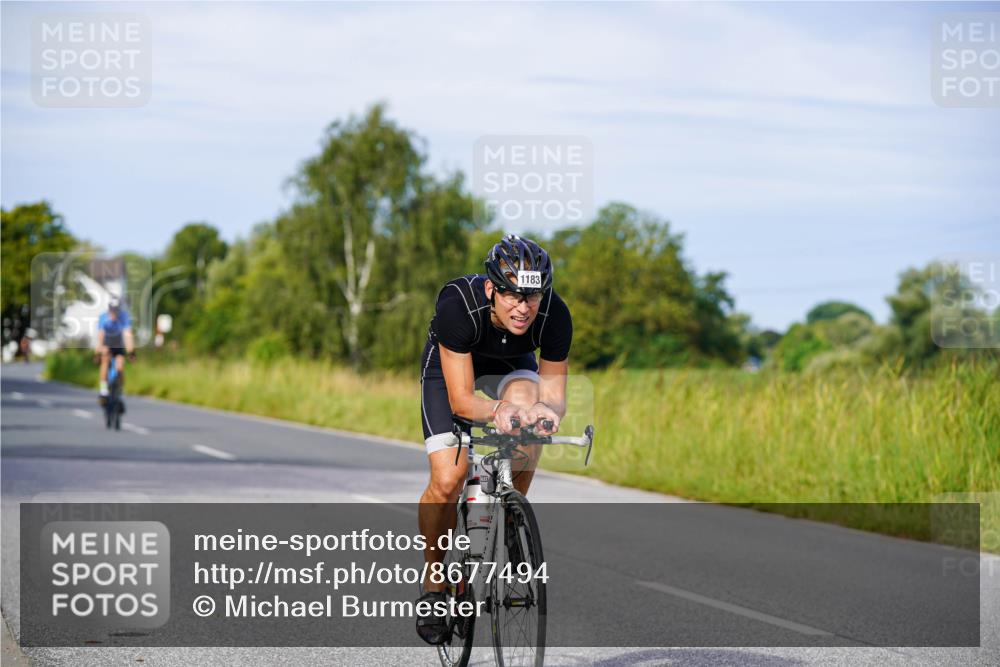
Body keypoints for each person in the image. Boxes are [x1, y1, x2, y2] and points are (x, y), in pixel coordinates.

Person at [415, 234, 573, 644]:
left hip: (510, 365)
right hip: (450, 370)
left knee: (529, 417)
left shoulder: (555, 314)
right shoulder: (458, 306)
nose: (524, 307)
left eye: (532, 296)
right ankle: (434, 583)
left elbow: (555, 396)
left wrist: (544, 414)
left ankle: (512, 511)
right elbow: (463, 399)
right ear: (491, 289)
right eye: (513, 296)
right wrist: (498, 412)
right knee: (450, 478)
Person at [95, 297, 135, 405]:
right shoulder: (103, 317)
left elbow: (128, 335)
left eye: (115, 310)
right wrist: (98, 352)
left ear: (119, 310)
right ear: (109, 309)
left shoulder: (124, 317)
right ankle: (103, 391)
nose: (113, 313)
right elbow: (100, 336)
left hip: (119, 344)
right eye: (111, 310)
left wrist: (131, 351)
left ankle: (120, 395)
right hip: (107, 343)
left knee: (120, 366)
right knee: (105, 360)